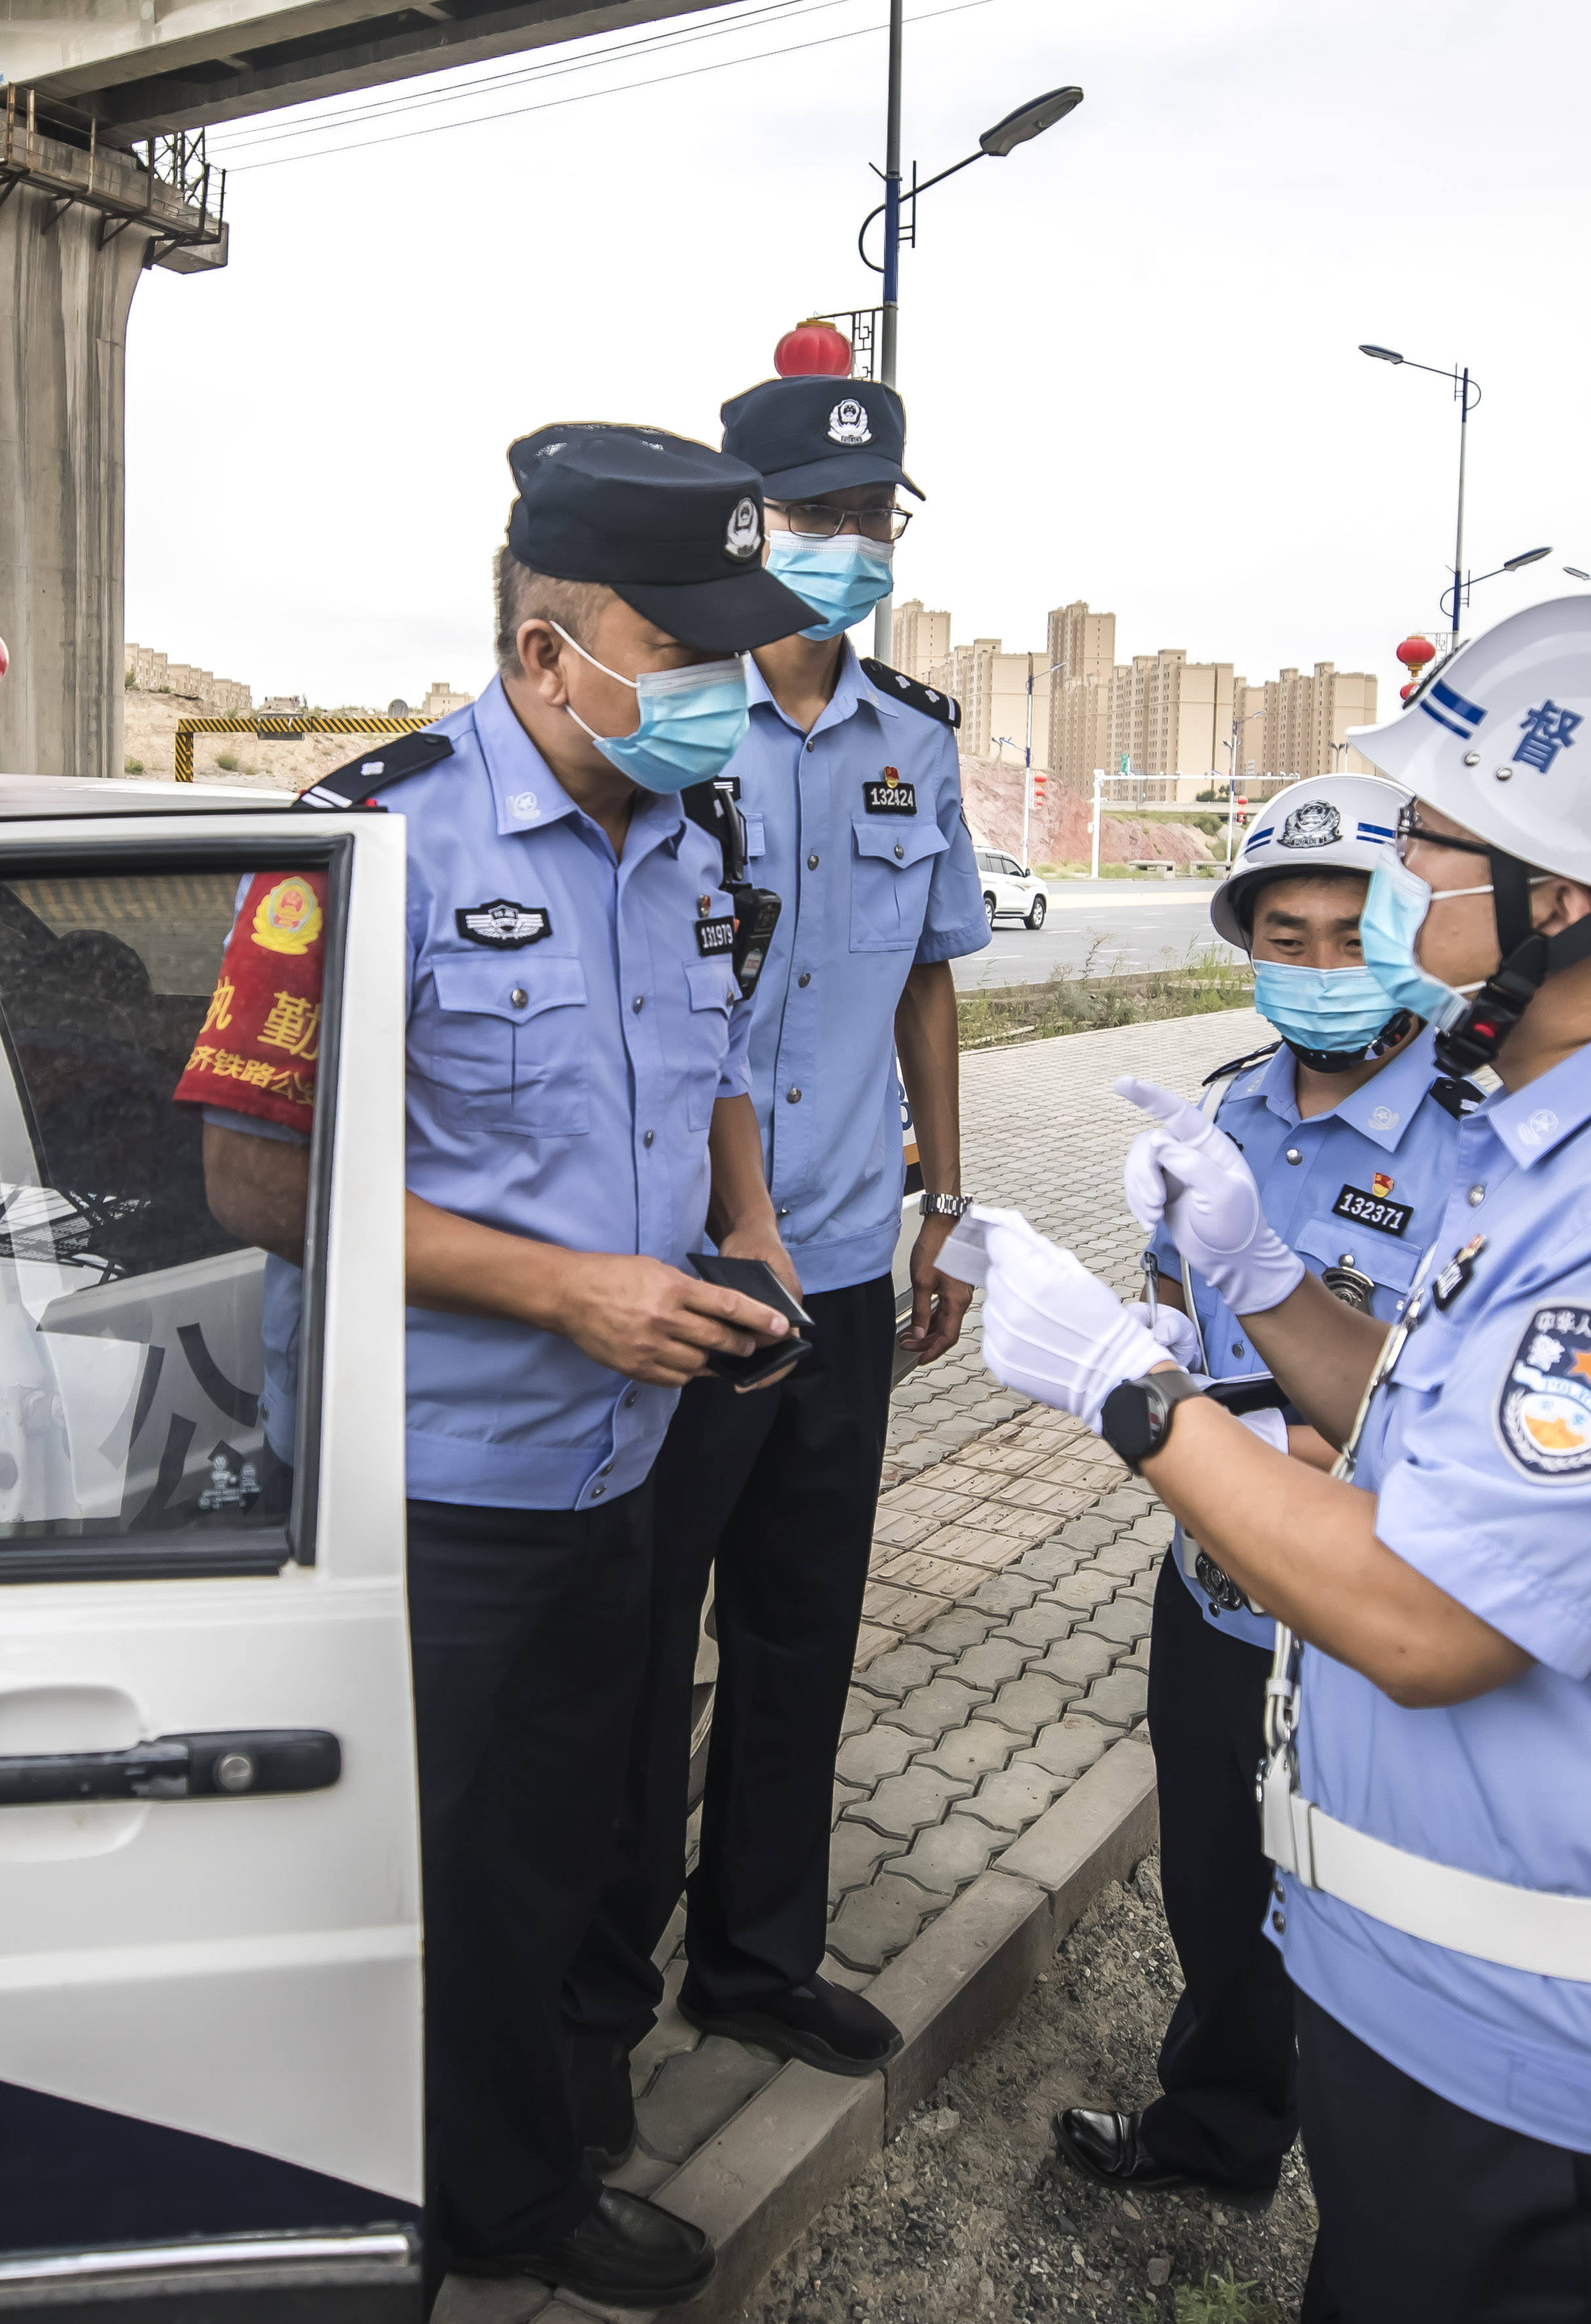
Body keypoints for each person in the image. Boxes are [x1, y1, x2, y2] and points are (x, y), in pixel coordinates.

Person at [963, 595, 1591, 2319]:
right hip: (1461, 2023)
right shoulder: (1565, 1137)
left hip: (1571, 2101)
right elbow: (1425, 1434)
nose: (1390, 871)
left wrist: (1123, 1384)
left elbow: (1427, 1609)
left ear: (1558, 889)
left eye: (1421, 839)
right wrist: (1260, 1279)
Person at [180, 422, 820, 2311]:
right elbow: (248, 1174)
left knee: (568, 1840)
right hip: (433, 1485)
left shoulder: (680, 832)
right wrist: (563, 1295)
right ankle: (461, 2206)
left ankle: (520, 2152)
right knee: (432, 1876)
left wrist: (754, 1230)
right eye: (683, 653)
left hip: (619, 1460)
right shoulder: (364, 842)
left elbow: (707, 1061)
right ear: (549, 653)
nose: (718, 694)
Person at [560, 374, 990, 2131]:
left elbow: (927, 974)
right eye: (812, 517)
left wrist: (945, 1195)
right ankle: (598, 1981)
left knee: (800, 1630)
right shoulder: (664, 709)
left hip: (844, 1257)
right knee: (639, 1644)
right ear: (749, 523)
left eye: (871, 520)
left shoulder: (917, 740)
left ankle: (757, 1953)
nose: (845, 549)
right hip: (676, 1274)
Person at [1047, 771, 1456, 2210]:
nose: (1321, 970)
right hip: (1218, 1600)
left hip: (1378, 1627)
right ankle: (1217, 2137)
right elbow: (1176, 1302)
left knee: (1380, 1929)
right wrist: (1154, 1337)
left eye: (1354, 937)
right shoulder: (1219, 1113)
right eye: (1286, 938)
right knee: (1218, 1888)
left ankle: (1389, 2204)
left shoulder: (1488, 1142)